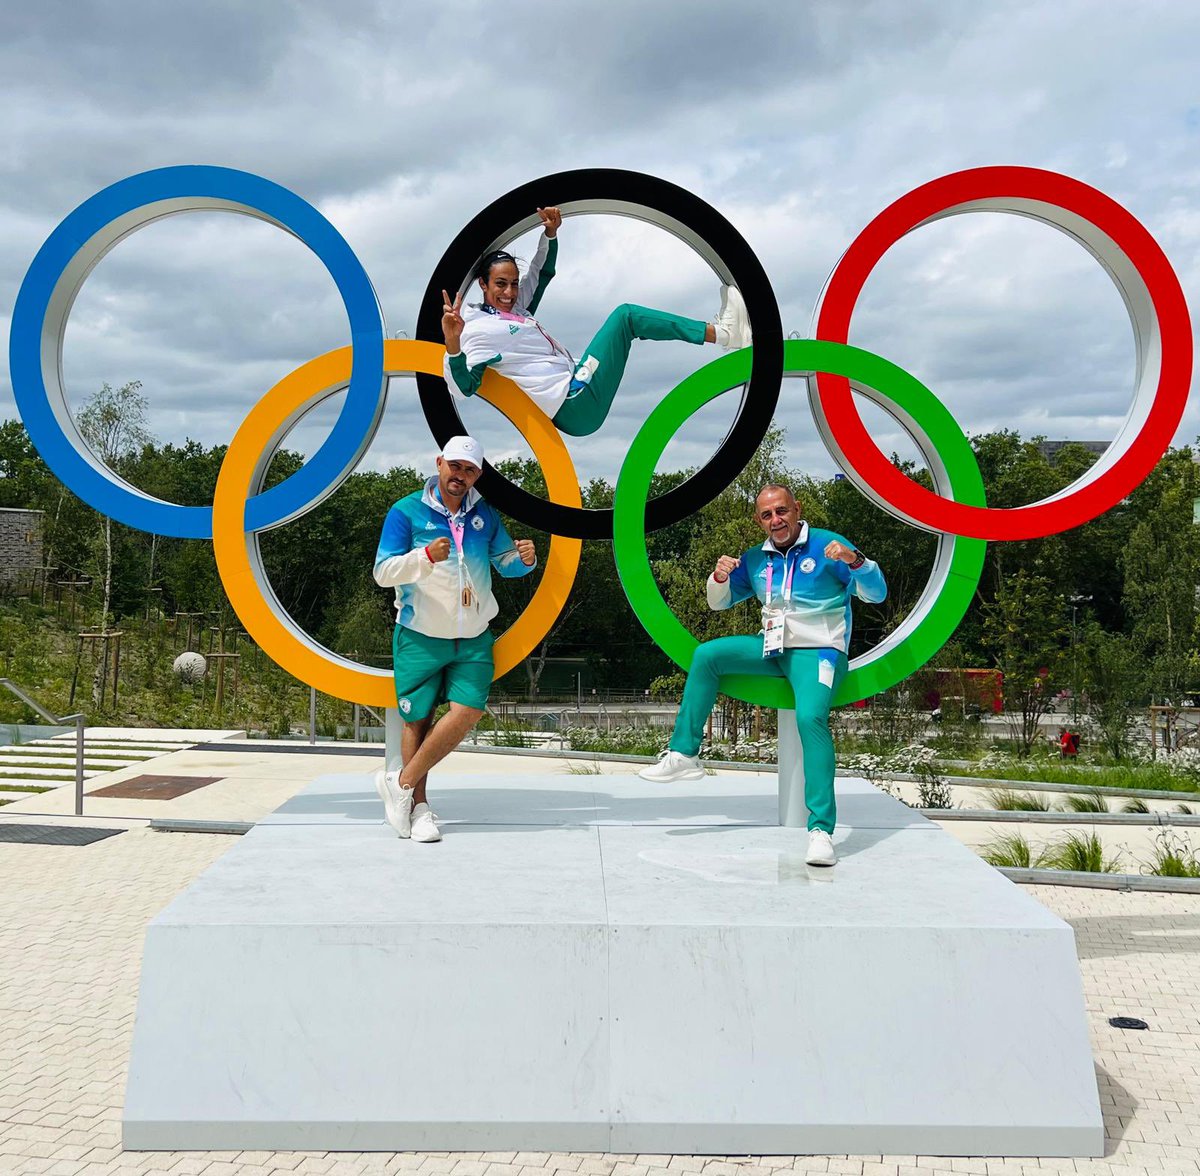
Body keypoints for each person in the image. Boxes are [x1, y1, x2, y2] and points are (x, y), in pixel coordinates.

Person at [639, 484, 887, 867]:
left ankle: (821, 830)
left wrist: (855, 561)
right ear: (759, 520)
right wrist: (719, 577)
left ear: (797, 509)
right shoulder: (756, 559)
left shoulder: (828, 545)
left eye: (782, 511)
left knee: (810, 718)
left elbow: (877, 594)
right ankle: (684, 754)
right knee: (707, 656)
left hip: (818, 650)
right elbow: (718, 603)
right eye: (767, 514)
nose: (776, 520)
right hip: (772, 647)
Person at [440, 206, 753, 437]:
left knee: (626, 318)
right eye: (500, 284)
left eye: (513, 283)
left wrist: (550, 235)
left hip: (576, 387)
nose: (509, 292)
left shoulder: (513, 310)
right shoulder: (479, 328)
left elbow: (540, 275)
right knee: (626, 317)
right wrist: (453, 344)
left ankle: (725, 334)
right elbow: (462, 388)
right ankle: (724, 334)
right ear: (483, 284)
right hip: (574, 402)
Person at [372, 435, 536, 842]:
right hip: (420, 635)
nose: (460, 476)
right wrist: (424, 557)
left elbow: (506, 565)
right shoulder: (406, 511)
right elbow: (382, 572)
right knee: (417, 720)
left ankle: (401, 784)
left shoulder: (484, 514)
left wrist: (525, 560)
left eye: (469, 470)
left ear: (477, 475)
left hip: (474, 635)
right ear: (439, 463)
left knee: (468, 712)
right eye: (455, 467)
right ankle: (419, 809)